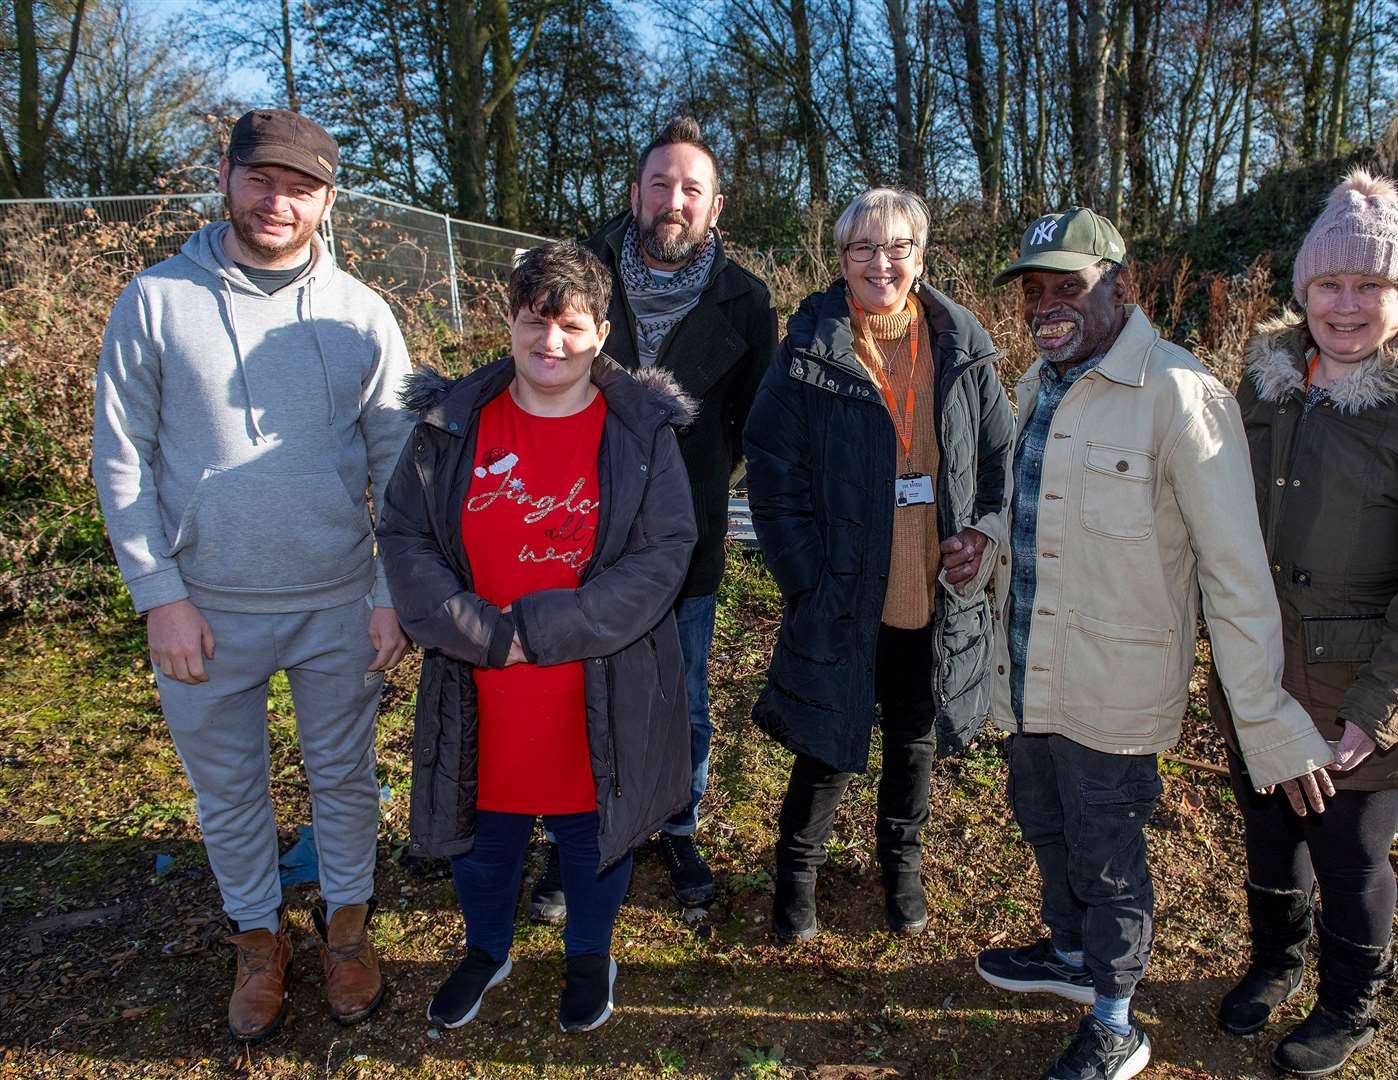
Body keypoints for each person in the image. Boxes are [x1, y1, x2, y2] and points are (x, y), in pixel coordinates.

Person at [975, 208, 1340, 1080]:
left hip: (1116, 685)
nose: (1047, 306)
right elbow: (1027, 508)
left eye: (1070, 286)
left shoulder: (1181, 395)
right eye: (1034, 290)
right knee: (1044, 822)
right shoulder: (1038, 383)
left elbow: (1237, 576)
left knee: (1106, 853)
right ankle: (1069, 956)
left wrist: (1268, 719)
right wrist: (983, 541)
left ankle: (1115, 1018)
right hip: (1027, 672)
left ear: (1123, 288)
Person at [91, 109, 410, 1042]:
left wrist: (390, 592)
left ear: (327, 199)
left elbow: (397, 465)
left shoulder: (360, 312)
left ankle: (345, 932)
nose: (279, 201)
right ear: (226, 180)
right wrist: (161, 596)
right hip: (206, 609)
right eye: (262, 179)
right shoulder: (154, 300)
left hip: (336, 602)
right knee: (228, 788)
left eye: (301, 186)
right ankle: (256, 941)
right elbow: (124, 462)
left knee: (344, 778)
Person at [1211, 171, 1398, 1077]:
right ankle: (1276, 961)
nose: (1347, 306)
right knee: (1268, 825)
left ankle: (1350, 1002)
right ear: (1304, 292)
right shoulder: (1264, 387)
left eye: (1369, 286)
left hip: (1371, 685)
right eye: (1330, 285)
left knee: (1349, 848)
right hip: (1264, 670)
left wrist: (1378, 708)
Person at [377, 240, 697, 1033]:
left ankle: (591, 952)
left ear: (601, 332)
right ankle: (488, 948)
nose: (550, 343)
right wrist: (486, 634)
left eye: (570, 325)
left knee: (595, 826)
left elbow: (663, 555)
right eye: (534, 323)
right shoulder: (450, 423)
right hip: (477, 674)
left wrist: (540, 630)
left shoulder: (640, 432)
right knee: (484, 830)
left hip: (599, 675)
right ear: (509, 322)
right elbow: (406, 537)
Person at [518, 116, 775, 915]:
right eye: (660, 184)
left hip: (683, 541)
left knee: (682, 692)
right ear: (634, 194)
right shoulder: (572, 275)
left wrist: (687, 488)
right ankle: (572, 836)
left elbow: (750, 424)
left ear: (716, 206)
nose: (674, 201)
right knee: (571, 688)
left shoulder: (747, 301)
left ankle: (675, 823)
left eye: (690, 190)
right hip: (572, 533)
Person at [745, 187, 1014, 940]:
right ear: (841, 260)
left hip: (934, 588)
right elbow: (770, 471)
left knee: (914, 741)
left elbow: (1001, 457)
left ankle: (903, 869)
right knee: (826, 744)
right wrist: (806, 578)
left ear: (921, 257)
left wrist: (986, 536)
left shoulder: (963, 346)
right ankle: (795, 876)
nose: (881, 263)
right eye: (863, 248)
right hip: (842, 593)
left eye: (898, 247)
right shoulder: (809, 352)